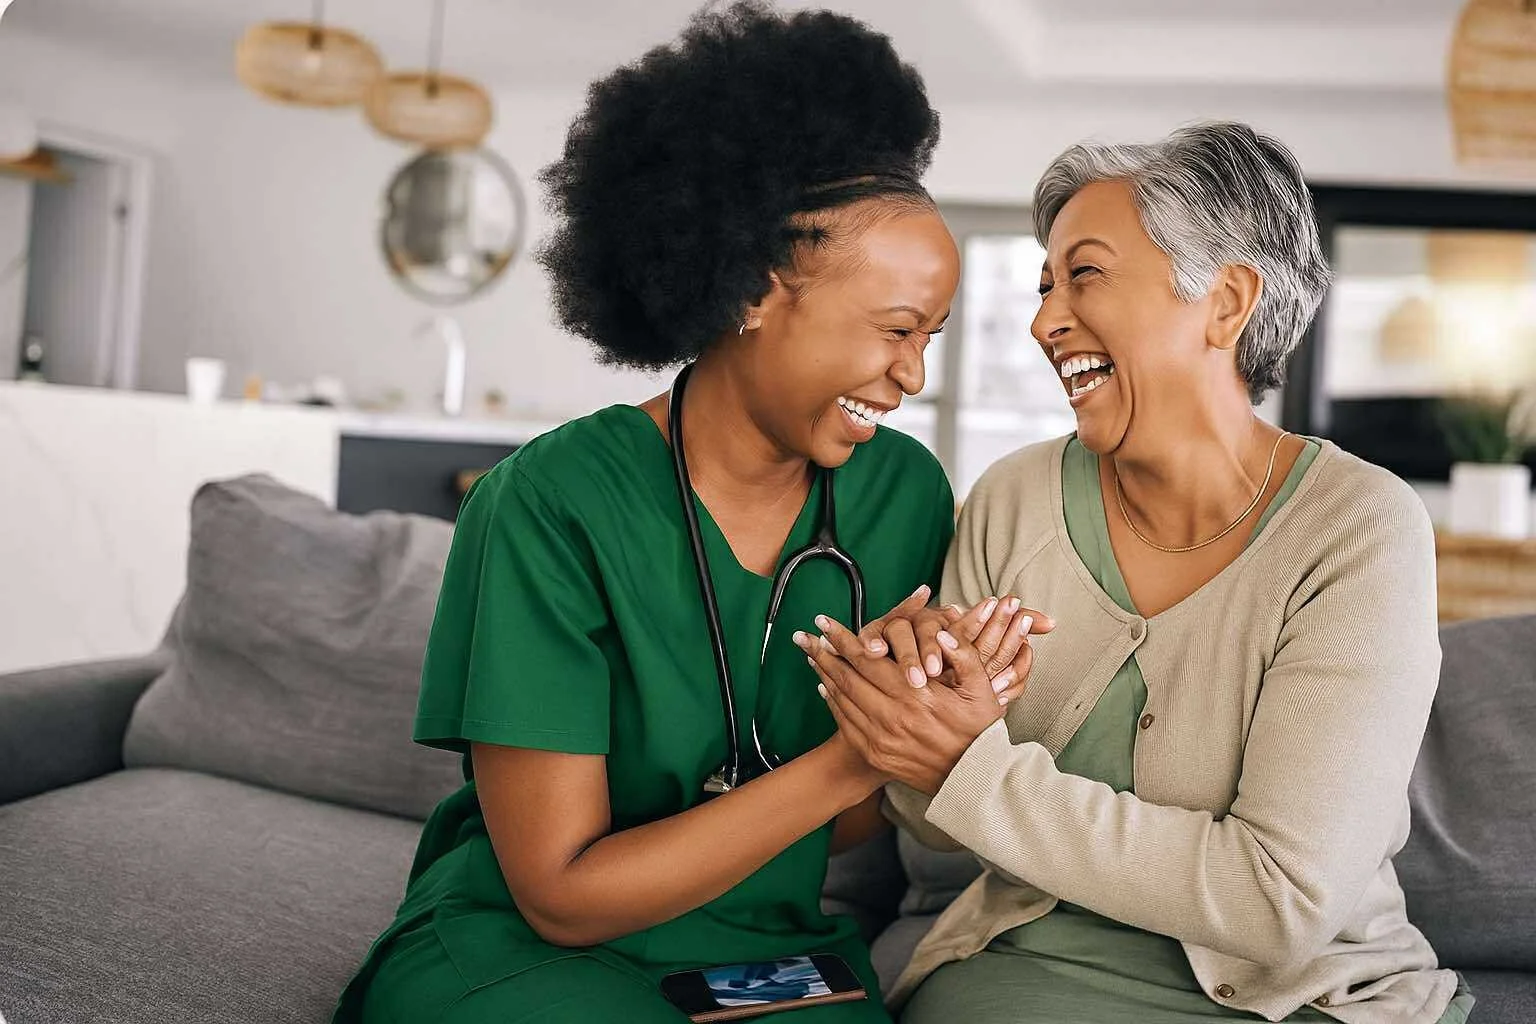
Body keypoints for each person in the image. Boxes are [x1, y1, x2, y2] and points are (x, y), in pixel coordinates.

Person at [330, 4, 1039, 1022]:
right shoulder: (552, 504)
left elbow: (841, 834)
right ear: (752, 290)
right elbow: (564, 894)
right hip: (535, 949)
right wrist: (856, 750)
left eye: (929, 335)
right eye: (893, 329)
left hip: (763, 947)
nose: (912, 375)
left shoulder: (902, 494)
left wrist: (926, 724)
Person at [804, 122, 1476, 1023]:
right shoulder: (1015, 498)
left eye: (1084, 274)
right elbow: (932, 831)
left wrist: (969, 760)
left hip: (1303, 999)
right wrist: (915, 704)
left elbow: (1279, 902)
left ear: (1227, 302)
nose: (1045, 319)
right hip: (1021, 967)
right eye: (1044, 286)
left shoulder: (1357, 529)